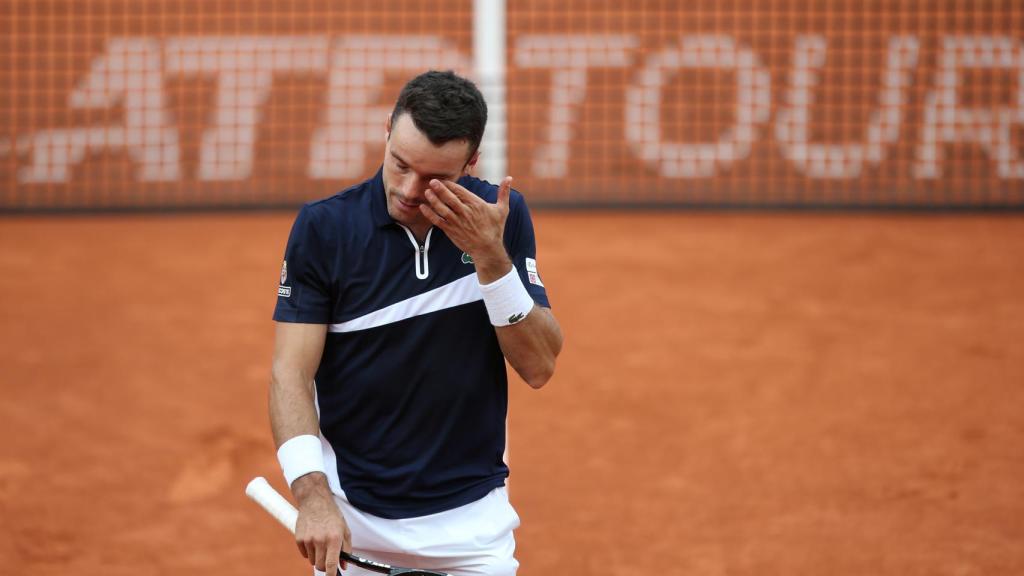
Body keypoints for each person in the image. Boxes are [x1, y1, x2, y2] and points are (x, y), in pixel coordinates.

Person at [268, 70, 563, 576]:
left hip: (473, 527)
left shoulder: (502, 219)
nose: (408, 190)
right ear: (386, 130)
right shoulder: (324, 230)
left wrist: (491, 256)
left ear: (471, 163)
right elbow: (289, 375)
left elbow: (539, 365)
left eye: (434, 179)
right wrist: (312, 494)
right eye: (400, 164)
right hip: (354, 520)